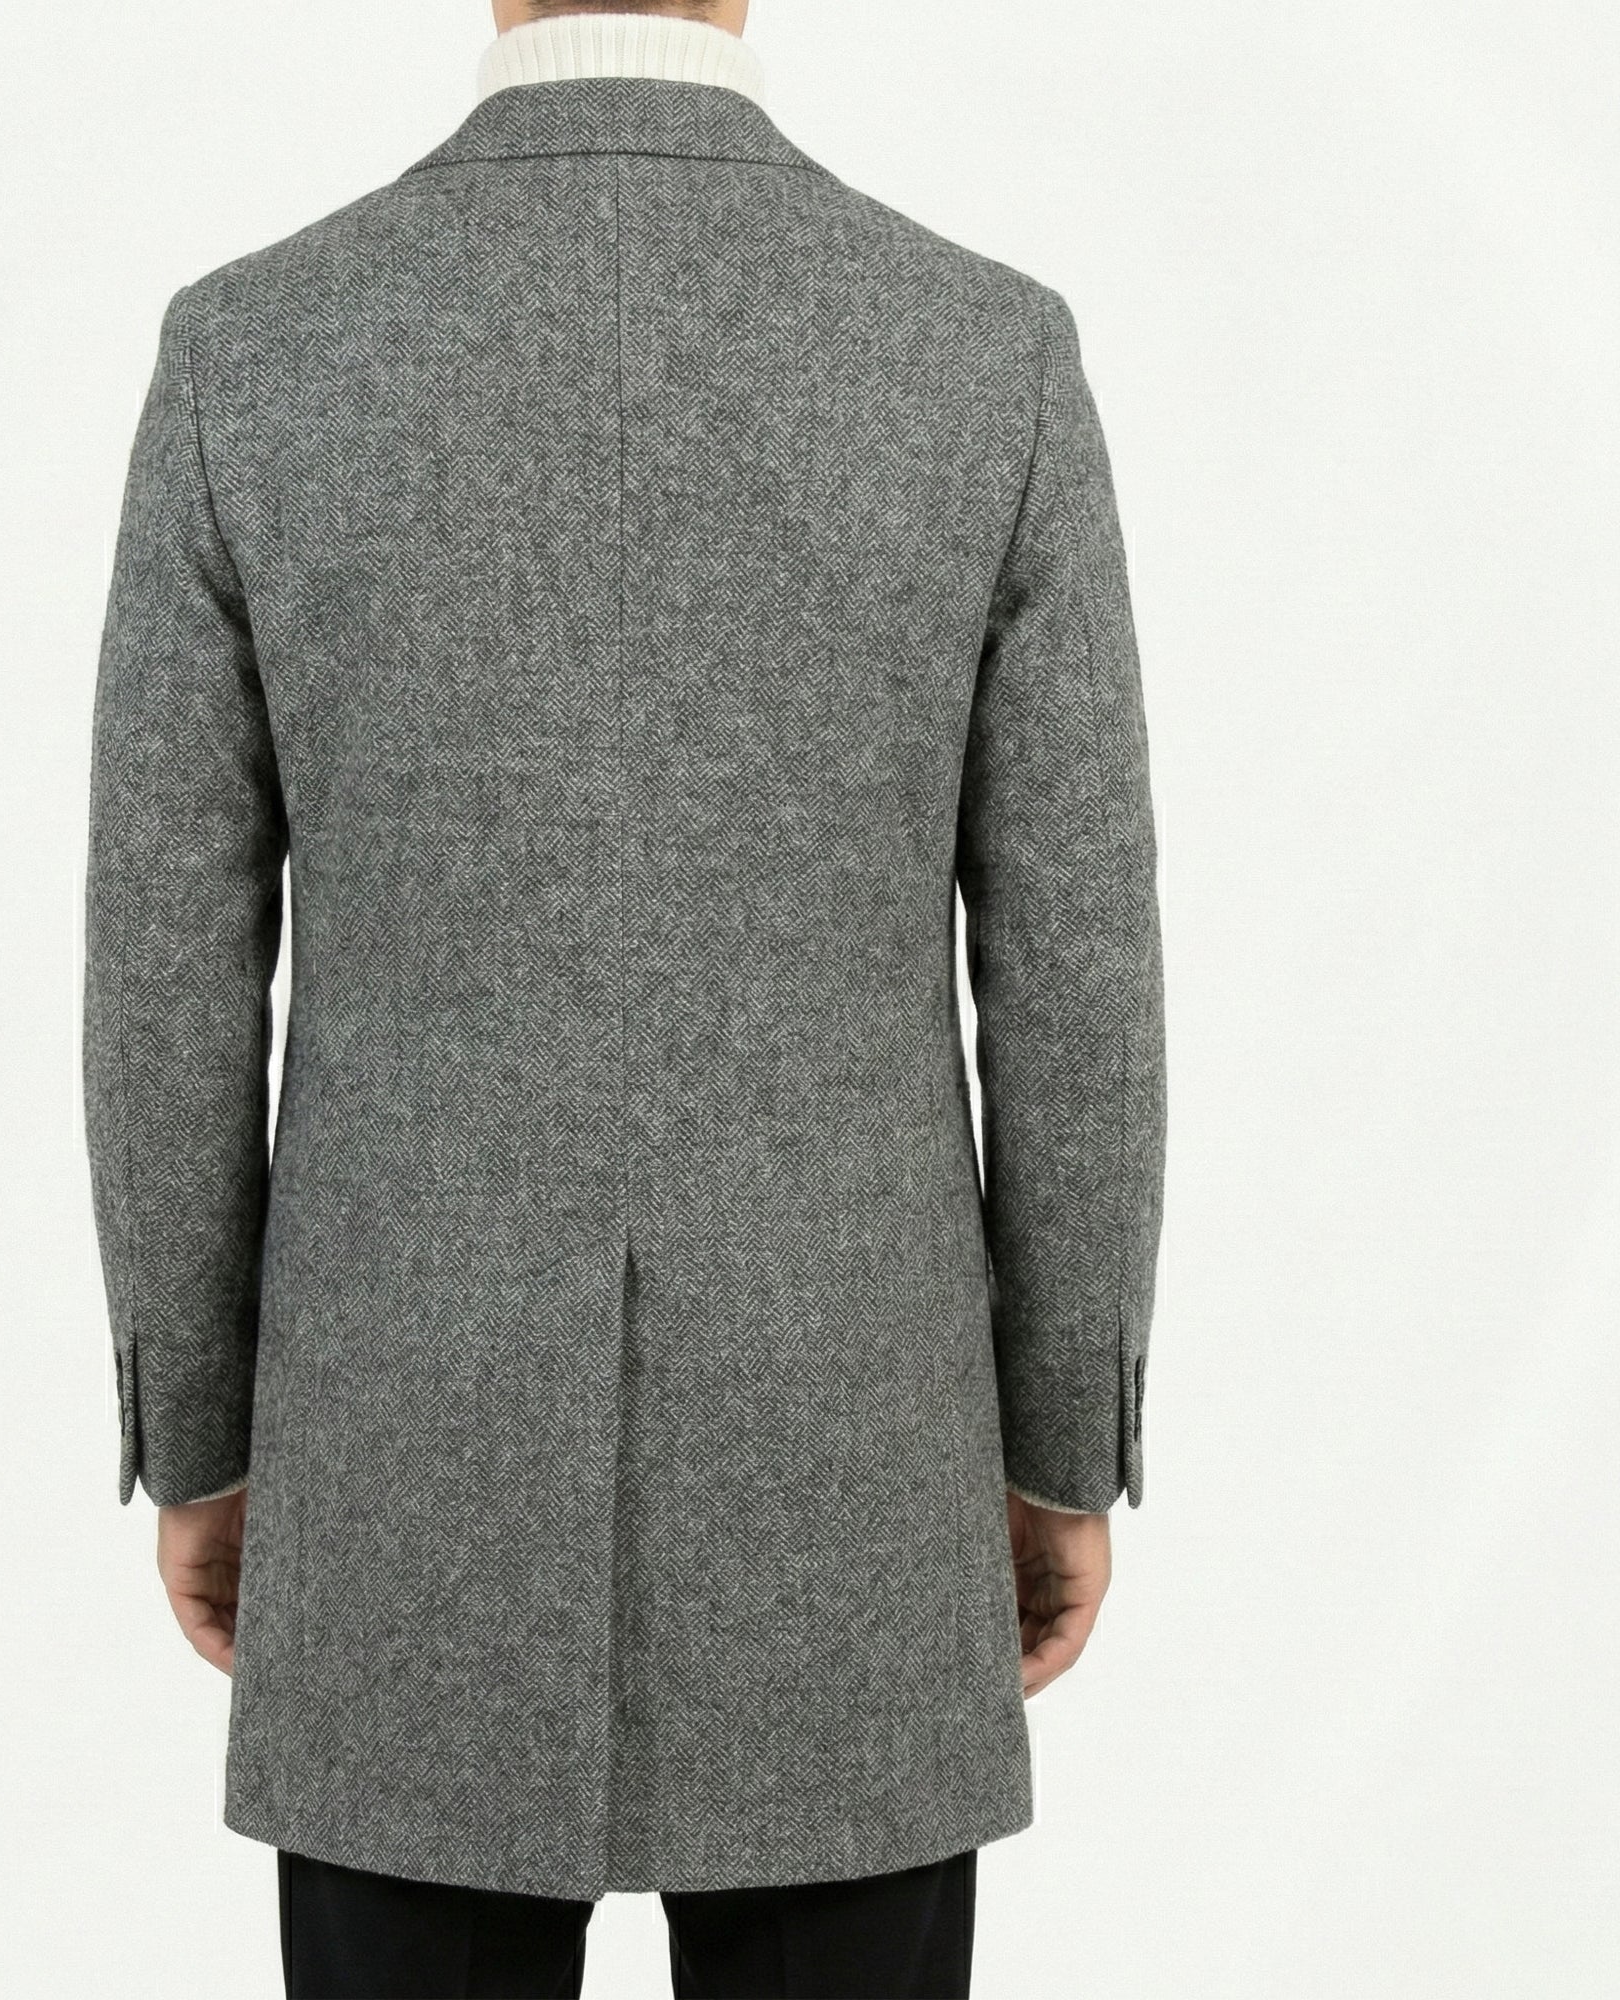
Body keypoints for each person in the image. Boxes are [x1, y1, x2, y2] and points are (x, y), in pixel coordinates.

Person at [80, 1, 1167, 1992]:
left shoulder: (253, 351)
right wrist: (1057, 1445)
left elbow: (167, 975)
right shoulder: (981, 356)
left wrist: (208, 1436)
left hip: (400, 1470)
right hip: (855, 1468)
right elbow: (1075, 973)